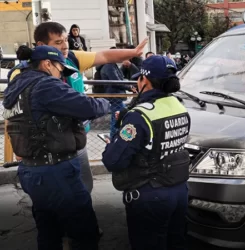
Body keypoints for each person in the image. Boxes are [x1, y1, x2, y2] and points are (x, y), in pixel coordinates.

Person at [7, 21, 148, 196]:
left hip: (72, 140)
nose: (65, 46)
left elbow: (104, 56)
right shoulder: (27, 77)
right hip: (46, 150)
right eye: (58, 42)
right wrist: (16, 144)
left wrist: (133, 52)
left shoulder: (71, 58)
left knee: (80, 189)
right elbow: (13, 111)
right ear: (42, 48)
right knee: (65, 202)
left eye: (66, 40)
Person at [3, 45, 110, 250]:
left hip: (31, 170)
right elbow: (86, 107)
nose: (62, 75)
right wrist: (104, 103)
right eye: (60, 68)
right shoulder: (45, 86)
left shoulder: (15, 87)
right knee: (85, 233)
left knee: (49, 231)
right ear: (47, 64)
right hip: (56, 171)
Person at [102, 55, 191, 250]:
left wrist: (113, 143)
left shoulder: (140, 116)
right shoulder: (180, 106)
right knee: (176, 242)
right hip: (179, 190)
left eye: (138, 78)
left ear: (145, 81)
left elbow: (113, 161)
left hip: (151, 194)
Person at [98, 47, 137, 137]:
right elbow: (117, 82)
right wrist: (129, 87)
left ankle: (114, 138)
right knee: (117, 119)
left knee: (117, 118)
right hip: (115, 96)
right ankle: (114, 138)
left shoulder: (112, 65)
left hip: (115, 96)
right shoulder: (109, 66)